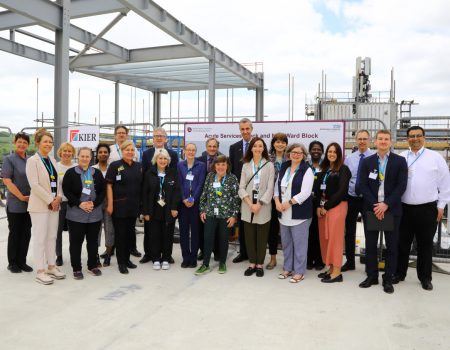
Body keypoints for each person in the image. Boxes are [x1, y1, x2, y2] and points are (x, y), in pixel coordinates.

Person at [395, 126, 450, 291]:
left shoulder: (435, 158)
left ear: (424, 137)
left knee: (425, 245)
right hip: (404, 209)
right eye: (411, 136)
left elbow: (445, 184)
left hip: (427, 209)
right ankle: (399, 273)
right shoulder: (401, 157)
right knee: (402, 243)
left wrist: (441, 206)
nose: (415, 138)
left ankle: (425, 277)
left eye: (418, 135)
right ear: (407, 139)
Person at [358, 130, 407, 294]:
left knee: (392, 246)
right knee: (371, 245)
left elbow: (401, 186)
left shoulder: (400, 161)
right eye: (380, 139)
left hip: (391, 210)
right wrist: (376, 205)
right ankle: (371, 276)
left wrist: (385, 204)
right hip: (372, 209)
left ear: (391, 142)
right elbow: (362, 185)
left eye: (386, 139)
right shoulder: (367, 161)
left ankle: (388, 279)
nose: (383, 141)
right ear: (375, 141)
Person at [26, 128, 65, 285]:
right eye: (45, 142)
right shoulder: (32, 161)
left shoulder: (52, 161)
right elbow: (34, 185)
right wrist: (50, 200)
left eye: (50, 142)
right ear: (38, 143)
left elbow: (58, 182)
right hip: (40, 206)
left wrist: (59, 197)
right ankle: (40, 271)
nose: (48, 144)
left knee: (52, 237)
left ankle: (51, 266)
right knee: (40, 238)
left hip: (54, 205)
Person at [62, 147, 106, 279]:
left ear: (91, 158)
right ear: (78, 157)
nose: (85, 158)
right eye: (82, 156)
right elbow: (66, 191)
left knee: (93, 241)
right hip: (76, 213)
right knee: (76, 242)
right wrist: (79, 203)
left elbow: (102, 191)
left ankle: (92, 265)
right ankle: (76, 268)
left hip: (94, 213)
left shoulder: (96, 173)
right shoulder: (70, 173)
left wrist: (95, 203)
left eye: (87, 156)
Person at [274, 143, 314, 283]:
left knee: (300, 244)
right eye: (293, 152)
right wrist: (277, 202)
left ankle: (299, 271)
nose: (296, 155)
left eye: (299, 153)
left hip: (299, 214)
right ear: (289, 153)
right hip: (283, 213)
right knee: (286, 243)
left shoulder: (307, 170)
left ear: (303, 155)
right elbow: (276, 187)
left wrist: (289, 203)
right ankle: (287, 268)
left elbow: (306, 193)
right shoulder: (284, 167)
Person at [196, 155, 240, 275]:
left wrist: (234, 216)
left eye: (223, 164)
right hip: (210, 213)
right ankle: (205, 264)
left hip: (225, 215)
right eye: (218, 164)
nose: (220, 167)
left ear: (227, 166)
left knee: (223, 239)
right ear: (214, 166)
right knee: (208, 239)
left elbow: (236, 198)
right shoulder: (210, 176)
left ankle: (222, 263)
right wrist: (202, 210)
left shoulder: (232, 178)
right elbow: (204, 195)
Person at [314, 142, 351, 283]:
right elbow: (317, 191)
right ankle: (330, 268)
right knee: (325, 238)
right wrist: (318, 206)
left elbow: (342, 191)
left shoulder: (343, 169)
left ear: (339, 154)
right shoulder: (324, 170)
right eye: (329, 151)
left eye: (334, 152)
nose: (331, 154)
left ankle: (337, 272)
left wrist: (326, 206)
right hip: (323, 208)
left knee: (335, 239)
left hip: (337, 207)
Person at [239, 138, 275, 277]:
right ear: (251, 148)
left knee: (262, 236)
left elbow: (270, 188)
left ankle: (260, 264)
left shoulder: (269, 165)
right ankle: (252, 263)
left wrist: (259, 204)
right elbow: (241, 187)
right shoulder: (246, 165)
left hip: (263, 205)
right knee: (249, 236)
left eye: (261, 146)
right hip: (248, 204)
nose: (258, 148)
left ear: (264, 148)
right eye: (255, 146)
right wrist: (249, 204)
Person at [105, 140, 142, 274]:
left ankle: (127, 260)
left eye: (132, 150)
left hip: (133, 206)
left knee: (129, 234)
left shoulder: (138, 166)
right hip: (119, 206)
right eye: (127, 150)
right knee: (120, 235)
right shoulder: (115, 165)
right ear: (121, 151)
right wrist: (110, 204)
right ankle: (121, 262)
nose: (130, 152)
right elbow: (109, 185)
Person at [142, 149, 181, 270]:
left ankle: (166, 258)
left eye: (165, 158)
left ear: (168, 161)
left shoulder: (173, 173)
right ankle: (156, 258)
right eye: (160, 158)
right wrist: (146, 212)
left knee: (167, 234)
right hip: (153, 210)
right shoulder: (149, 173)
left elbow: (177, 192)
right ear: (156, 160)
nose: (162, 161)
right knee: (154, 235)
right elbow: (145, 194)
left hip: (168, 210)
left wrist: (174, 208)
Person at [342, 130, 374, 272]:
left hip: (368, 200)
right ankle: (350, 262)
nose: (362, 141)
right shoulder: (350, 158)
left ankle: (370, 264)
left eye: (364, 139)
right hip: (351, 198)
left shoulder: (375, 156)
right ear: (356, 140)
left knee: (370, 232)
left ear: (369, 140)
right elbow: (346, 178)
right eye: (359, 139)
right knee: (349, 231)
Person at [2, 132, 32, 273]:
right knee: (15, 233)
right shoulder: (9, 159)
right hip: (15, 203)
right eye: (19, 141)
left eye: (24, 142)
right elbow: (7, 181)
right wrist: (21, 197)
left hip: (30, 203)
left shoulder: (31, 160)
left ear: (28, 145)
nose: (22, 144)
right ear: (15, 142)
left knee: (26, 233)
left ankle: (22, 261)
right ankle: (12, 262)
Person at [177, 143, 206, 268]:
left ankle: (193, 257)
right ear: (184, 151)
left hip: (195, 204)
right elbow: (179, 182)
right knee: (183, 232)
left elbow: (201, 184)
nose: (191, 152)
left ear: (196, 151)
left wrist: (194, 198)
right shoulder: (179, 165)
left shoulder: (201, 165)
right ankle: (185, 257)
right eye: (188, 150)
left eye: (193, 150)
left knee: (195, 232)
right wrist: (184, 199)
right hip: (183, 205)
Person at [229, 118, 253, 263]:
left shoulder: (258, 145)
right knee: (242, 223)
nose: (245, 131)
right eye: (242, 129)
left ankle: (253, 253)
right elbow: (232, 170)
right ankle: (243, 252)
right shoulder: (234, 147)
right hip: (240, 191)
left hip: (255, 190)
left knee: (254, 223)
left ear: (251, 129)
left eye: (247, 129)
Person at [196, 137, 221, 260]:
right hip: (201, 197)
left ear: (217, 148)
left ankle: (216, 251)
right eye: (210, 146)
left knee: (215, 225)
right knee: (202, 226)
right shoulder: (199, 160)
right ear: (206, 147)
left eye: (214, 146)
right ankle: (203, 250)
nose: (212, 148)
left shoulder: (223, 160)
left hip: (217, 198)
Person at [266, 133, 288, 270]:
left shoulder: (291, 157)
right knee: (272, 230)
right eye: (277, 142)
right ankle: (273, 258)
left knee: (287, 230)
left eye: (283, 142)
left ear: (286, 144)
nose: (280, 144)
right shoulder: (267, 158)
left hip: (286, 199)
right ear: (273, 143)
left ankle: (288, 259)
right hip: (270, 199)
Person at [55, 142, 77, 266]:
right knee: (57, 231)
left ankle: (73, 254)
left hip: (73, 204)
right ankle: (59, 255)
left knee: (73, 232)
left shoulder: (77, 167)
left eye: (69, 151)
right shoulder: (56, 166)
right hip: (60, 203)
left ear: (73, 153)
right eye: (65, 151)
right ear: (60, 152)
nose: (67, 153)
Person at [93, 143, 115, 267]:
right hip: (96, 202)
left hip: (109, 202)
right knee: (95, 229)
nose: (103, 154)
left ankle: (108, 255)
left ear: (108, 154)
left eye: (105, 152)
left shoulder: (113, 168)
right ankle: (95, 255)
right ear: (97, 154)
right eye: (100, 152)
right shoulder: (92, 169)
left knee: (109, 228)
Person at [306, 140, 325, 270]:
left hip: (321, 203)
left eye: (319, 149)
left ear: (322, 152)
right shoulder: (305, 166)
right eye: (314, 149)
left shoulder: (326, 166)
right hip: (306, 203)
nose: (316, 151)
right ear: (310, 151)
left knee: (320, 233)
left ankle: (319, 260)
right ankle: (308, 259)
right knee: (308, 232)